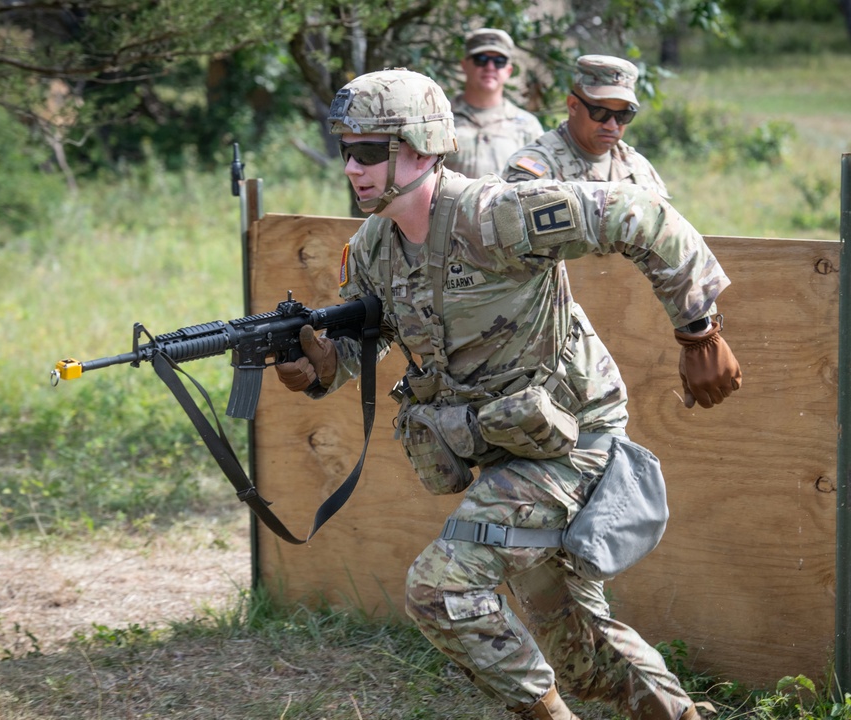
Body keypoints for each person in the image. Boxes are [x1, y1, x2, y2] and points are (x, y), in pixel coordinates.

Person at [274, 68, 741, 719]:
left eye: (370, 152)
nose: (353, 168)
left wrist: (698, 333)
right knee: (577, 641)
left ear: (422, 147)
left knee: (440, 590)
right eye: (347, 151)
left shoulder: (499, 217)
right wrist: (321, 365)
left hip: (570, 439)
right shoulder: (375, 247)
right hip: (504, 448)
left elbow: (644, 216)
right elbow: (368, 340)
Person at [503, 54, 669, 197]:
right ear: (573, 105)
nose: (611, 125)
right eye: (600, 113)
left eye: (623, 116)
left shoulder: (638, 168)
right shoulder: (535, 171)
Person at [443, 28, 544, 179]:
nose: (490, 67)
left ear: (508, 71)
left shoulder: (527, 126)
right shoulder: (441, 118)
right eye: (481, 59)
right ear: (464, 65)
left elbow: (538, 183)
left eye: (499, 62)